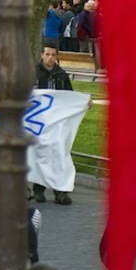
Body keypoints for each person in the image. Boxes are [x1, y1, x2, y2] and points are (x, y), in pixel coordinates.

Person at [33, 45, 75, 205]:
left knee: (58, 155)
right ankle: (39, 188)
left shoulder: (61, 75)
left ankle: (60, 191)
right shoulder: (33, 73)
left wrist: (83, 102)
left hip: (57, 121)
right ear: (42, 55)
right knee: (41, 155)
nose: (50, 58)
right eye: (47, 54)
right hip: (39, 121)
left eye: (53, 55)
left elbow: (70, 96)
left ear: (57, 56)